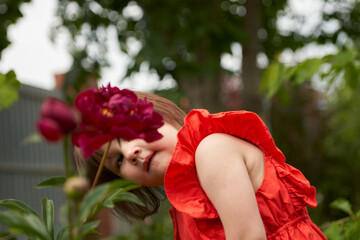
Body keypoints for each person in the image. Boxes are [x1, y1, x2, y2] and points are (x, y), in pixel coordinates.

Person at [73, 90, 327, 240]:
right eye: (117, 161)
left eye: (127, 133)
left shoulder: (212, 150)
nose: (130, 153)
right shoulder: (186, 206)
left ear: (159, 114)